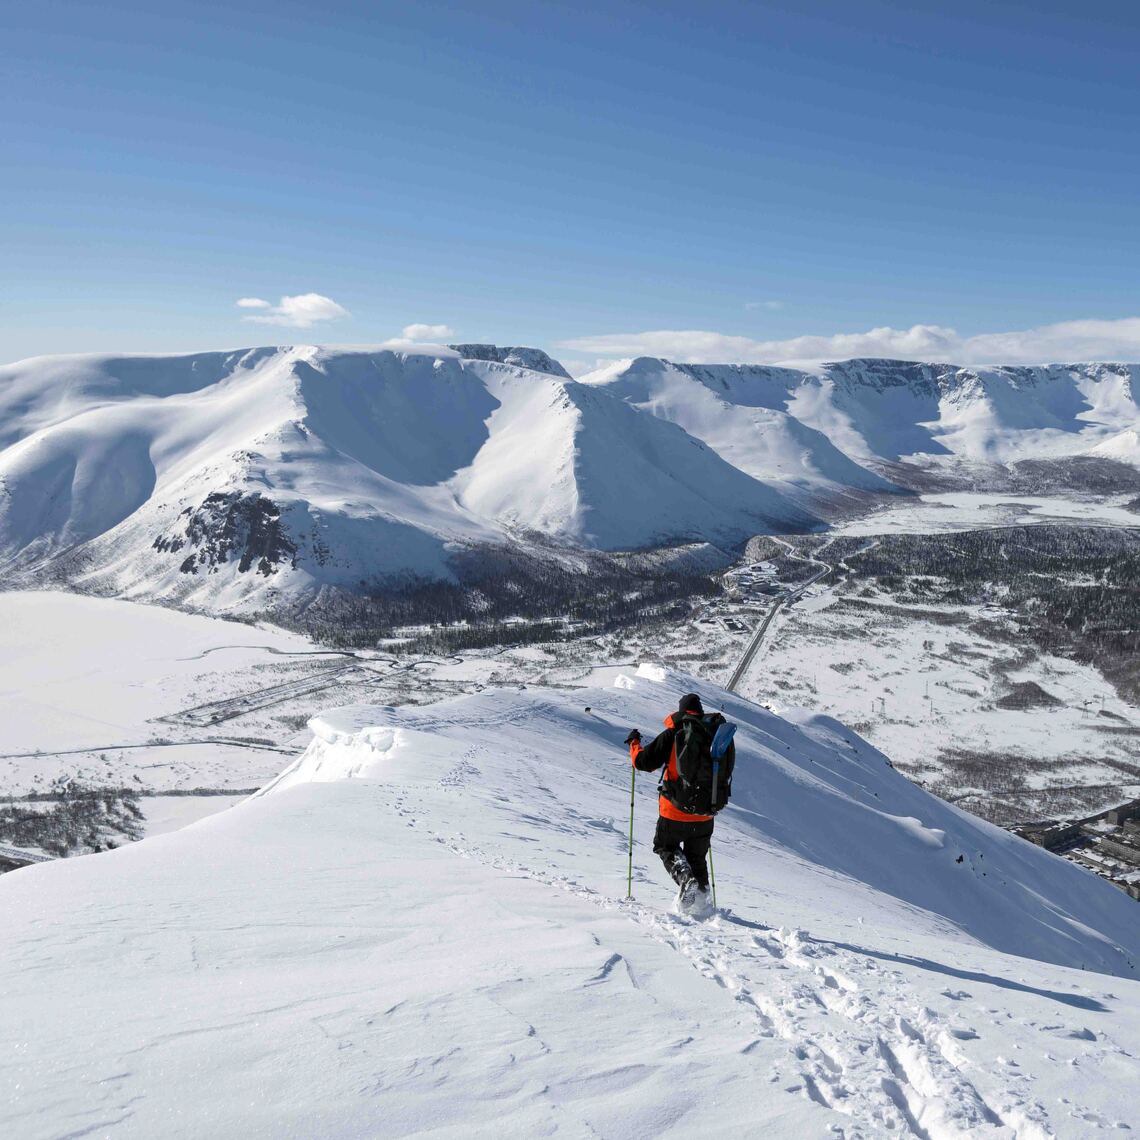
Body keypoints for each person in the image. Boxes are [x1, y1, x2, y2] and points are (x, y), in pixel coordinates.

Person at [625, 692, 715, 909]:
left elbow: (642, 762)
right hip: (705, 812)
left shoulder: (674, 733)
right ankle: (704, 905)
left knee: (665, 845)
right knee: (698, 858)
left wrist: (634, 743)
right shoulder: (713, 734)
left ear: (681, 711)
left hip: (674, 810)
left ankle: (685, 878)